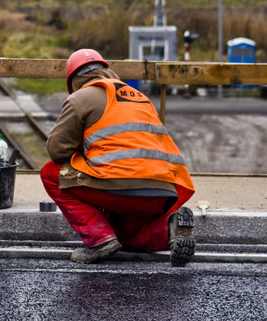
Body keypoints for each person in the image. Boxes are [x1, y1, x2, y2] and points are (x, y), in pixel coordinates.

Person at [41, 49, 196, 266]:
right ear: (106, 71)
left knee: (50, 172)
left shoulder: (80, 98)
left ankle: (98, 240)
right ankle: (169, 228)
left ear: (74, 81)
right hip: (162, 192)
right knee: (124, 238)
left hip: (119, 188)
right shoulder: (140, 97)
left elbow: (57, 151)